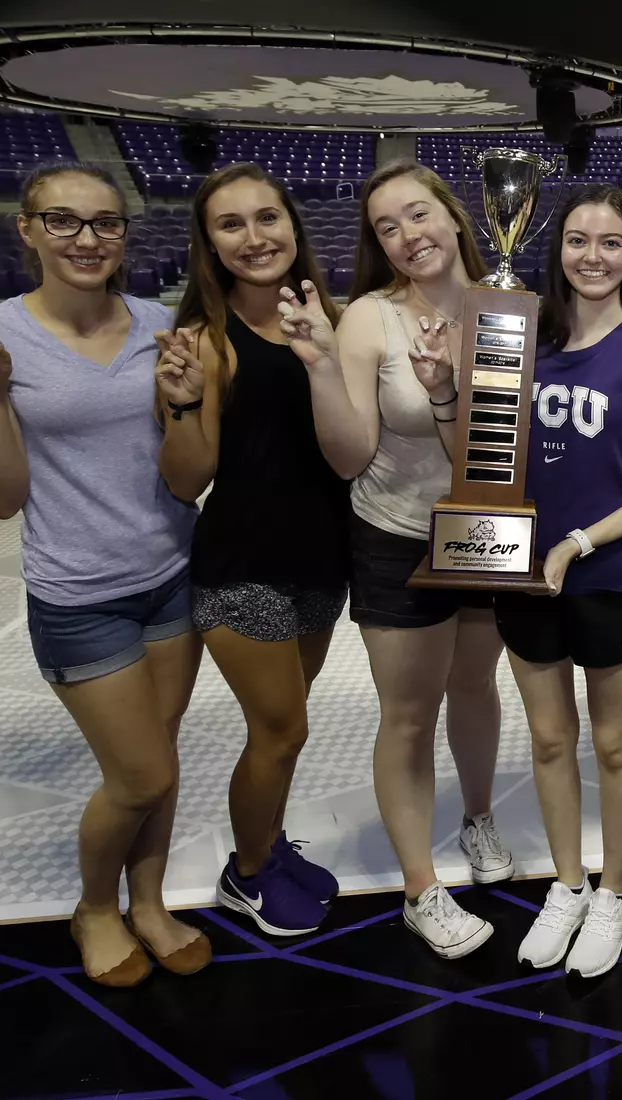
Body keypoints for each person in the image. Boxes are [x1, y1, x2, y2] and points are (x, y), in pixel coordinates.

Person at [0, 162, 207, 985]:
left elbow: (186, 471)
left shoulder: (160, 324)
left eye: (106, 222)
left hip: (172, 574)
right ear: (27, 230)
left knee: (161, 757)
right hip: (79, 595)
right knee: (141, 774)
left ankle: (149, 901)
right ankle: (95, 907)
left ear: (126, 232)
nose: (87, 239)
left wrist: (187, 402)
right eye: (63, 220)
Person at [267, 160, 514, 959]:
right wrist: (319, 366)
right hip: (397, 535)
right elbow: (349, 457)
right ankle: (420, 887)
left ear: (453, 215)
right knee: (408, 713)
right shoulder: (371, 319)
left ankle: (478, 816)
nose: (408, 235)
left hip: (486, 530)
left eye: (418, 214)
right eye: (387, 227)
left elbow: (511, 446)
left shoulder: (509, 305)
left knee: (475, 685)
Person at [496, 185, 622, 977]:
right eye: (578, 240)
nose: (593, 256)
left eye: (611, 242)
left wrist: (577, 543)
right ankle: (567, 884)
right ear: (559, 249)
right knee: (549, 739)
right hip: (523, 575)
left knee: (613, 742)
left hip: (609, 574)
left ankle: (613, 891)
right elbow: (484, 450)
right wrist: (445, 386)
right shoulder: (523, 337)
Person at [153, 163, 347, 938]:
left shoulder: (329, 319)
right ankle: (250, 872)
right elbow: (186, 479)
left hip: (321, 560)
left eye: (268, 217)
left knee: (287, 725)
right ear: (208, 244)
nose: (254, 237)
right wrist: (180, 404)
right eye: (230, 224)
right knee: (281, 731)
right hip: (243, 567)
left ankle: (269, 842)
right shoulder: (204, 341)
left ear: (293, 226)